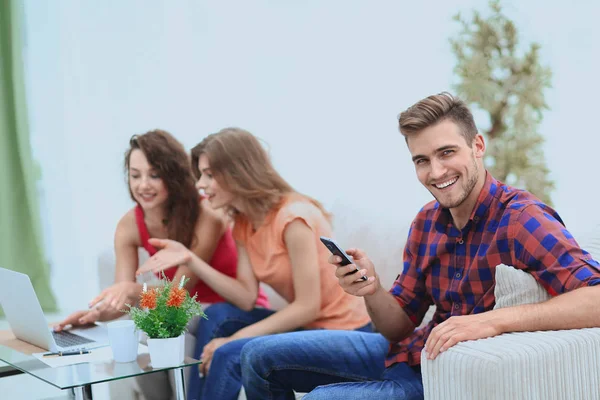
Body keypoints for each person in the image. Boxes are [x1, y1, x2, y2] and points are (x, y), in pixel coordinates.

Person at [238, 92, 600, 399]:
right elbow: (398, 325)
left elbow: (595, 298)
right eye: (422, 160)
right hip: (408, 350)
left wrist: (493, 322)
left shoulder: (522, 218)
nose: (436, 171)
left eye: (446, 153)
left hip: (439, 375)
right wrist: (372, 289)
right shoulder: (427, 222)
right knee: (255, 356)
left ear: (477, 146)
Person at [135, 127, 372, 400]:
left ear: (238, 172)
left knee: (229, 352)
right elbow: (246, 298)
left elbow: (308, 307)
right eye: (201, 175)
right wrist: (191, 259)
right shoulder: (244, 223)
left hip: (344, 333)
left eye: (209, 175)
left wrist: (233, 339)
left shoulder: (294, 218)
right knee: (219, 314)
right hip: (307, 330)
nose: (200, 184)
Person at [54, 129, 269, 400]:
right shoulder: (129, 225)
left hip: (224, 308)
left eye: (154, 175)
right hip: (182, 310)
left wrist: (133, 291)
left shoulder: (206, 215)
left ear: (174, 175)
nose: (143, 185)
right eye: (135, 175)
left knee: (153, 321)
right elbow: (124, 297)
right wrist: (94, 315)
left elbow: (178, 293)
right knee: (141, 323)